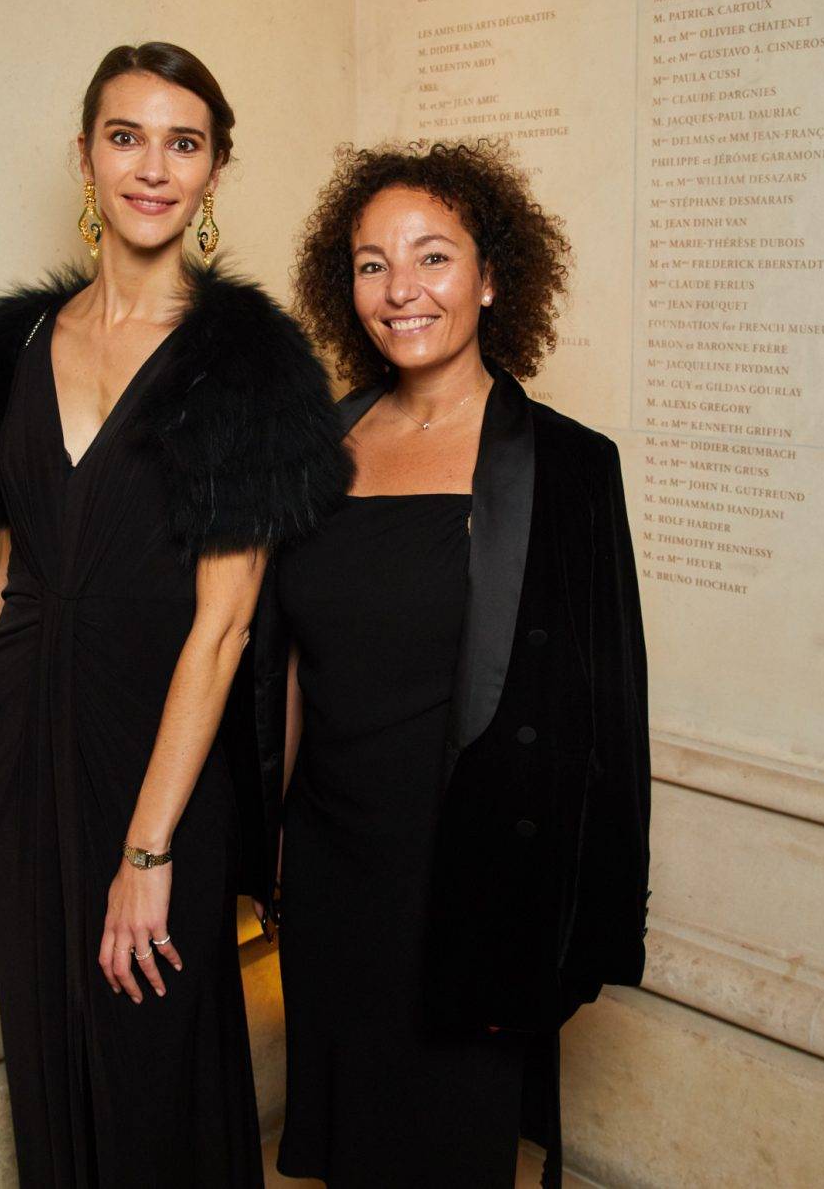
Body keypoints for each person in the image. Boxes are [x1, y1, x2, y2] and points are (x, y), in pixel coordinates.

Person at [0, 42, 348, 1187]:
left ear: (215, 170)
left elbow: (223, 628)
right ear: (84, 155)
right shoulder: (15, 346)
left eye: (184, 143)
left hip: (156, 753)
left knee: (150, 1053)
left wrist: (148, 846)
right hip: (28, 740)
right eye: (126, 137)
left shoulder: (248, 365)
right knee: (46, 1042)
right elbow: (12, 570)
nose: (152, 168)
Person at [252, 140, 651, 1187]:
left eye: (432, 257)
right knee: (351, 1145)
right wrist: (271, 837)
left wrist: (588, 920)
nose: (399, 288)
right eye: (370, 261)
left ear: (488, 276)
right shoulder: (310, 450)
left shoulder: (565, 466)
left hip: (473, 876)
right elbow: (284, 661)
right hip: (334, 867)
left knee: (446, 1152)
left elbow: (605, 709)